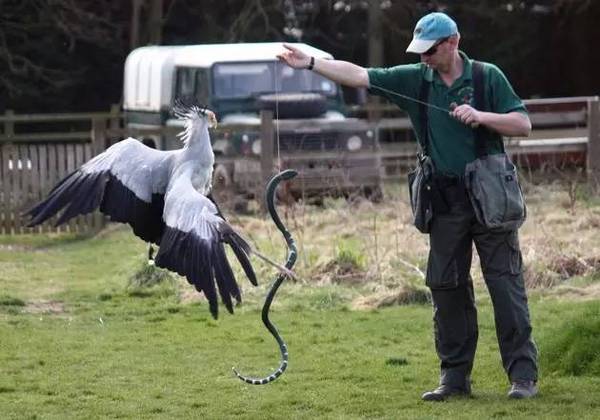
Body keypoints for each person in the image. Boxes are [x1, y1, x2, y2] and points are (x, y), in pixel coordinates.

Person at [278, 12, 538, 401]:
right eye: (419, 52)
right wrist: (312, 64)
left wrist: (481, 116)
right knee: (446, 288)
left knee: (505, 286)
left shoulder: (487, 77)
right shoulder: (416, 78)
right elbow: (360, 74)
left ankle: (522, 378)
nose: (424, 58)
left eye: (430, 51)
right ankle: (454, 379)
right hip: (445, 202)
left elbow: (523, 124)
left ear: (452, 42)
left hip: (491, 201)